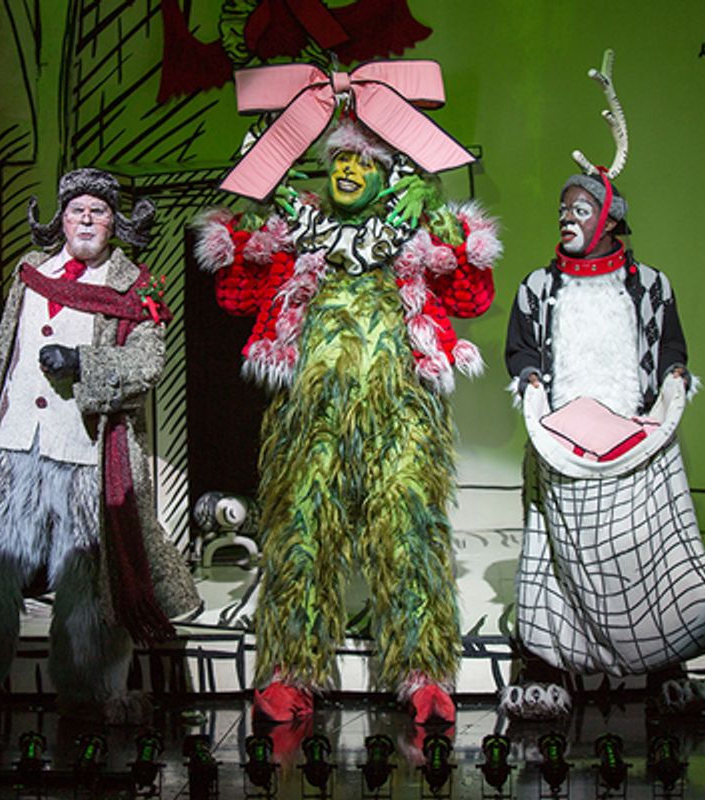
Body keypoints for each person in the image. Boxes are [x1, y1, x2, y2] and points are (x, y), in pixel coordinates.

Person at [195, 61, 499, 725]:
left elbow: (473, 294)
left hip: (402, 420)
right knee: (300, 535)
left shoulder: (411, 235)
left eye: (363, 163)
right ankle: (289, 672)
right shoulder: (299, 235)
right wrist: (252, 210)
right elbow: (235, 294)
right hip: (311, 422)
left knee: (411, 536)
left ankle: (423, 672)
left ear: (386, 173)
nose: (349, 171)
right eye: (339, 163)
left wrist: (452, 231)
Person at [0, 168, 198, 731]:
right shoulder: (30, 275)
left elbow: (147, 364)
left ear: (116, 222)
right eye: (77, 210)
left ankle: (91, 692)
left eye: (99, 211)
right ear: (61, 219)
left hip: (86, 452)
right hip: (11, 447)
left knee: (91, 577)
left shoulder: (136, 287)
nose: (87, 220)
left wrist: (86, 364)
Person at [502, 51, 705, 719]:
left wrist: (670, 390)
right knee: (552, 561)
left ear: (609, 216)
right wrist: (531, 392)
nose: (565, 217)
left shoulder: (650, 287)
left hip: (635, 444)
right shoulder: (538, 287)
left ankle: (665, 665)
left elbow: (672, 350)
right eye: (561, 208)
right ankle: (548, 665)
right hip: (559, 447)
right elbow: (521, 350)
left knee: (646, 556)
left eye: (578, 207)